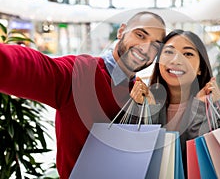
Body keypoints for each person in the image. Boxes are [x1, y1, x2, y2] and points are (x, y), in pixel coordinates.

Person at [0, 11, 166, 178]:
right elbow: (34, 67)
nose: (145, 48)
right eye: (140, 35)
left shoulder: (140, 94)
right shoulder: (80, 73)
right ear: (121, 31)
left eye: (155, 46)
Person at [130, 29, 220, 176]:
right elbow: (143, 157)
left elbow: (202, 162)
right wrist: (145, 109)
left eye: (188, 54)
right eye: (169, 52)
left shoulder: (217, 104)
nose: (176, 60)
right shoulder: (144, 101)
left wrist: (201, 108)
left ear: (200, 69)